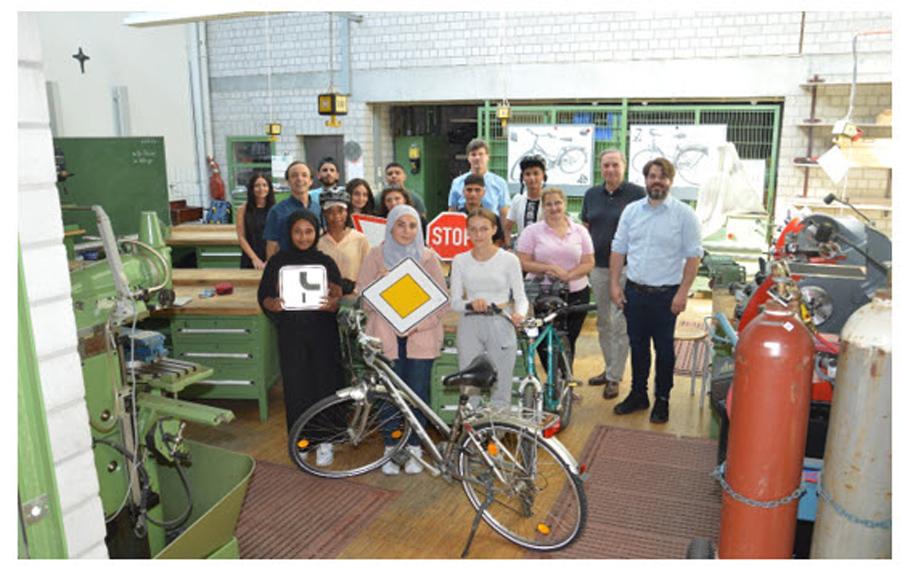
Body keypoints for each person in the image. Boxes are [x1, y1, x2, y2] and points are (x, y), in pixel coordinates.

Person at [609, 157, 703, 424]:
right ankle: (639, 394)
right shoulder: (631, 212)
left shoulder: (684, 215)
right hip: (635, 293)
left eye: (662, 177)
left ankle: (662, 399)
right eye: (652, 176)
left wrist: (682, 293)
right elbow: (618, 248)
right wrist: (615, 284)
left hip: (666, 296)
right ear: (646, 180)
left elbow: (693, 257)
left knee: (664, 350)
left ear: (670, 181)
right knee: (638, 346)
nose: (657, 181)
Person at [356, 204, 448, 476]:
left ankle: (415, 447)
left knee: (416, 394)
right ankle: (392, 446)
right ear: (390, 226)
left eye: (412, 225)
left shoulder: (428, 257)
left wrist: (416, 326)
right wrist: (379, 283)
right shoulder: (376, 255)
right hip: (385, 339)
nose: (406, 231)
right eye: (400, 224)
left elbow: (441, 303)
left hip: (420, 339)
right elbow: (363, 301)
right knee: (388, 394)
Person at [257, 210, 344, 464]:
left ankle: (327, 441)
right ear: (289, 233)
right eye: (297, 231)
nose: (303, 237)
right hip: (292, 335)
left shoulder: (325, 261)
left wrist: (334, 302)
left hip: (323, 335)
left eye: (308, 231)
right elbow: (264, 295)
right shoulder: (277, 262)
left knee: (325, 385)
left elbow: (337, 293)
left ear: (316, 232)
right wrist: (272, 304)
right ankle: (302, 440)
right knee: (297, 387)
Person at [580, 148, 646, 400]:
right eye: (606, 165)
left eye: (615, 165)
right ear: (600, 167)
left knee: (620, 323)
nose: (610, 170)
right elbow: (586, 227)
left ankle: (615, 377)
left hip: (627, 268)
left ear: (624, 166)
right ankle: (610, 369)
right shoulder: (591, 195)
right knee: (603, 323)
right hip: (598, 268)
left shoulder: (637, 194)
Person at [450, 208, 528, 409]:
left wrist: (519, 314)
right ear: (467, 232)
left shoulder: (509, 260)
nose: (478, 234)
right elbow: (455, 302)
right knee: (469, 386)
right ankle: (471, 427)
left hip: (501, 322)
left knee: (501, 385)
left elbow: (520, 298)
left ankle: (498, 427)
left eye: (484, 229)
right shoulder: (460, 260)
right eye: (473, 229)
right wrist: (471, 304)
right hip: (470, 324)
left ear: (494, 229)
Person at [516, 188, 595, 363]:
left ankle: (565, 377)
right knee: (544, 341)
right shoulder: (532, 231)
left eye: (558, 203)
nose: (554, 208)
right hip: (542, 294)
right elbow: (522, 262)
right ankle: (552, 378)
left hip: (576, 293)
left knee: (569, 341)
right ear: (543, 207)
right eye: (548, 204)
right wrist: (548, 267)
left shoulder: (580, 231)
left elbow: (589, 262)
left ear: (564, 204)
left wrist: (568, 275)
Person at [317, 189, 371, 295]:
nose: (336, 216)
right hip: (325, 298)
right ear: (324, 214)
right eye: (330, 212)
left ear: (347, 212)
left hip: (353, 298)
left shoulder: (360, 239)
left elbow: (369, 271)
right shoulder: (317, 240)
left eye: (341, 211)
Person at [263, 161, 321, 259]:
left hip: (313, 263)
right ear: (288, 181)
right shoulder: (276, 211)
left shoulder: (318, 209)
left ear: (311, 181)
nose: (299, 179)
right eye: (294, 175)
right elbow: (271, 246)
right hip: (286, 264)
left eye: (304, 175)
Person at [447, 139, 509, 224]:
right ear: (468, 158)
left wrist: (504, 232)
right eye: (473, 154)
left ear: (488, 157)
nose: (477, 158)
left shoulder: (500, 183)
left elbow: (504, 213)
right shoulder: (457, 183)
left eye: (481, 154)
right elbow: (452, 211)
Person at [236, 172, 275, 270]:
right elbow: (241, 237)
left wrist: (270, 259)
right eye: (257, 185)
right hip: (249, 257)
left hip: (271, 257)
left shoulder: (276, 209)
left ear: (269, 188)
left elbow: (278, 237)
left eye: (264, 185)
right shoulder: (242, 209)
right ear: (251, 189)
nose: (261, 189)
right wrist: (255, 259)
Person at [505, 155, 546, 241]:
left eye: (536, 173)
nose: (532, 178)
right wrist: (508, 245)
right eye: (527, 174)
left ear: (543, 175)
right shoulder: (518, 199)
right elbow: (507, 227)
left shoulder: (549, 200)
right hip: (522, 247)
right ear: (522, 177)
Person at [460, 174, 505, 246]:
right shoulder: (455, 217)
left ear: (483, 192)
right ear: (463, 191)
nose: (473, 194)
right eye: (469, 190)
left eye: (477, 190)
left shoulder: (492, 218)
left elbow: (498, 241)